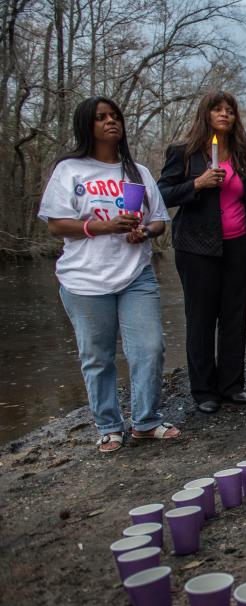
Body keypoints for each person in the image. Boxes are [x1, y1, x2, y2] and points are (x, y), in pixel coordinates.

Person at [38, 96, 179, 453]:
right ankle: (108, 425)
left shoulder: (138, 173)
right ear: (87, 125)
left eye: (114, 116)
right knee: (97, 356)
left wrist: (143, 232)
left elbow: (160, 220)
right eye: (101, 118)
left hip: (135, 275)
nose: (110, 122)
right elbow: (56, 225)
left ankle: (146, 422)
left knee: (149, 347)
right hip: (84, 280)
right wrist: (103, 226)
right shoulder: (70, 170)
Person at [158, 91, 246, 414]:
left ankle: (231, 385)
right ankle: (203, 390)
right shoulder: (184, 153)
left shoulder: (243, 153)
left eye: (230, 109)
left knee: (234, 316)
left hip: (238, 243)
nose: (224, 114)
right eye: (217, 109)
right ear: (206, 114)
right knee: (201, 318)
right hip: (196, 246)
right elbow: (162, 195)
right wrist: (197, 184)